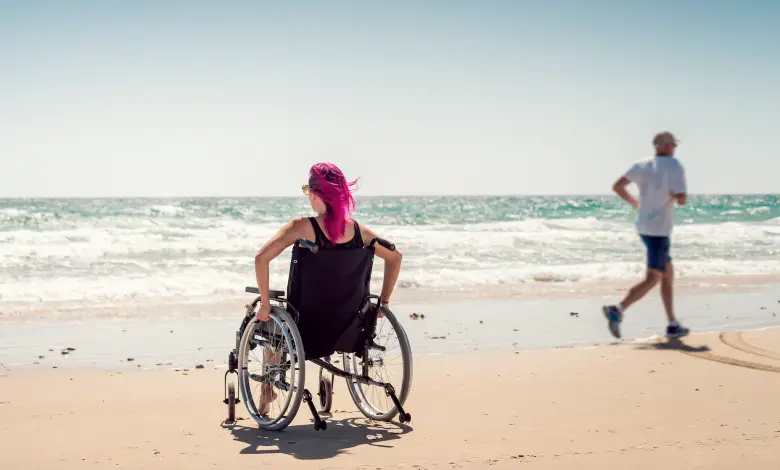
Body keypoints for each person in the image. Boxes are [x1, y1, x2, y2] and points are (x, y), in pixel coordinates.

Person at [251, 162, 403, 414]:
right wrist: (383, 302)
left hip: (305, 326)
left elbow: (261, 258)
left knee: (271, 319)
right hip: (349, 327)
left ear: (314, 194)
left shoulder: (302, 227)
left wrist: (266, 304)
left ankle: (268, 389)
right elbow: (396, 257)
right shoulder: (359, 232)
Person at [602, 131, 690, 340]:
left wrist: (635, 203)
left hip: (643, 226)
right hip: (659, 230)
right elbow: (682, 199)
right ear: (665, 146)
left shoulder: (641, 165)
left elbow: (617, 186)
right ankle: (618, 309)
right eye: (673, 145)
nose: (674, 149)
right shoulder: (674, 165)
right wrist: (676, 197)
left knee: (668, 275)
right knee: (654, 278)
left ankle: (672, 324)